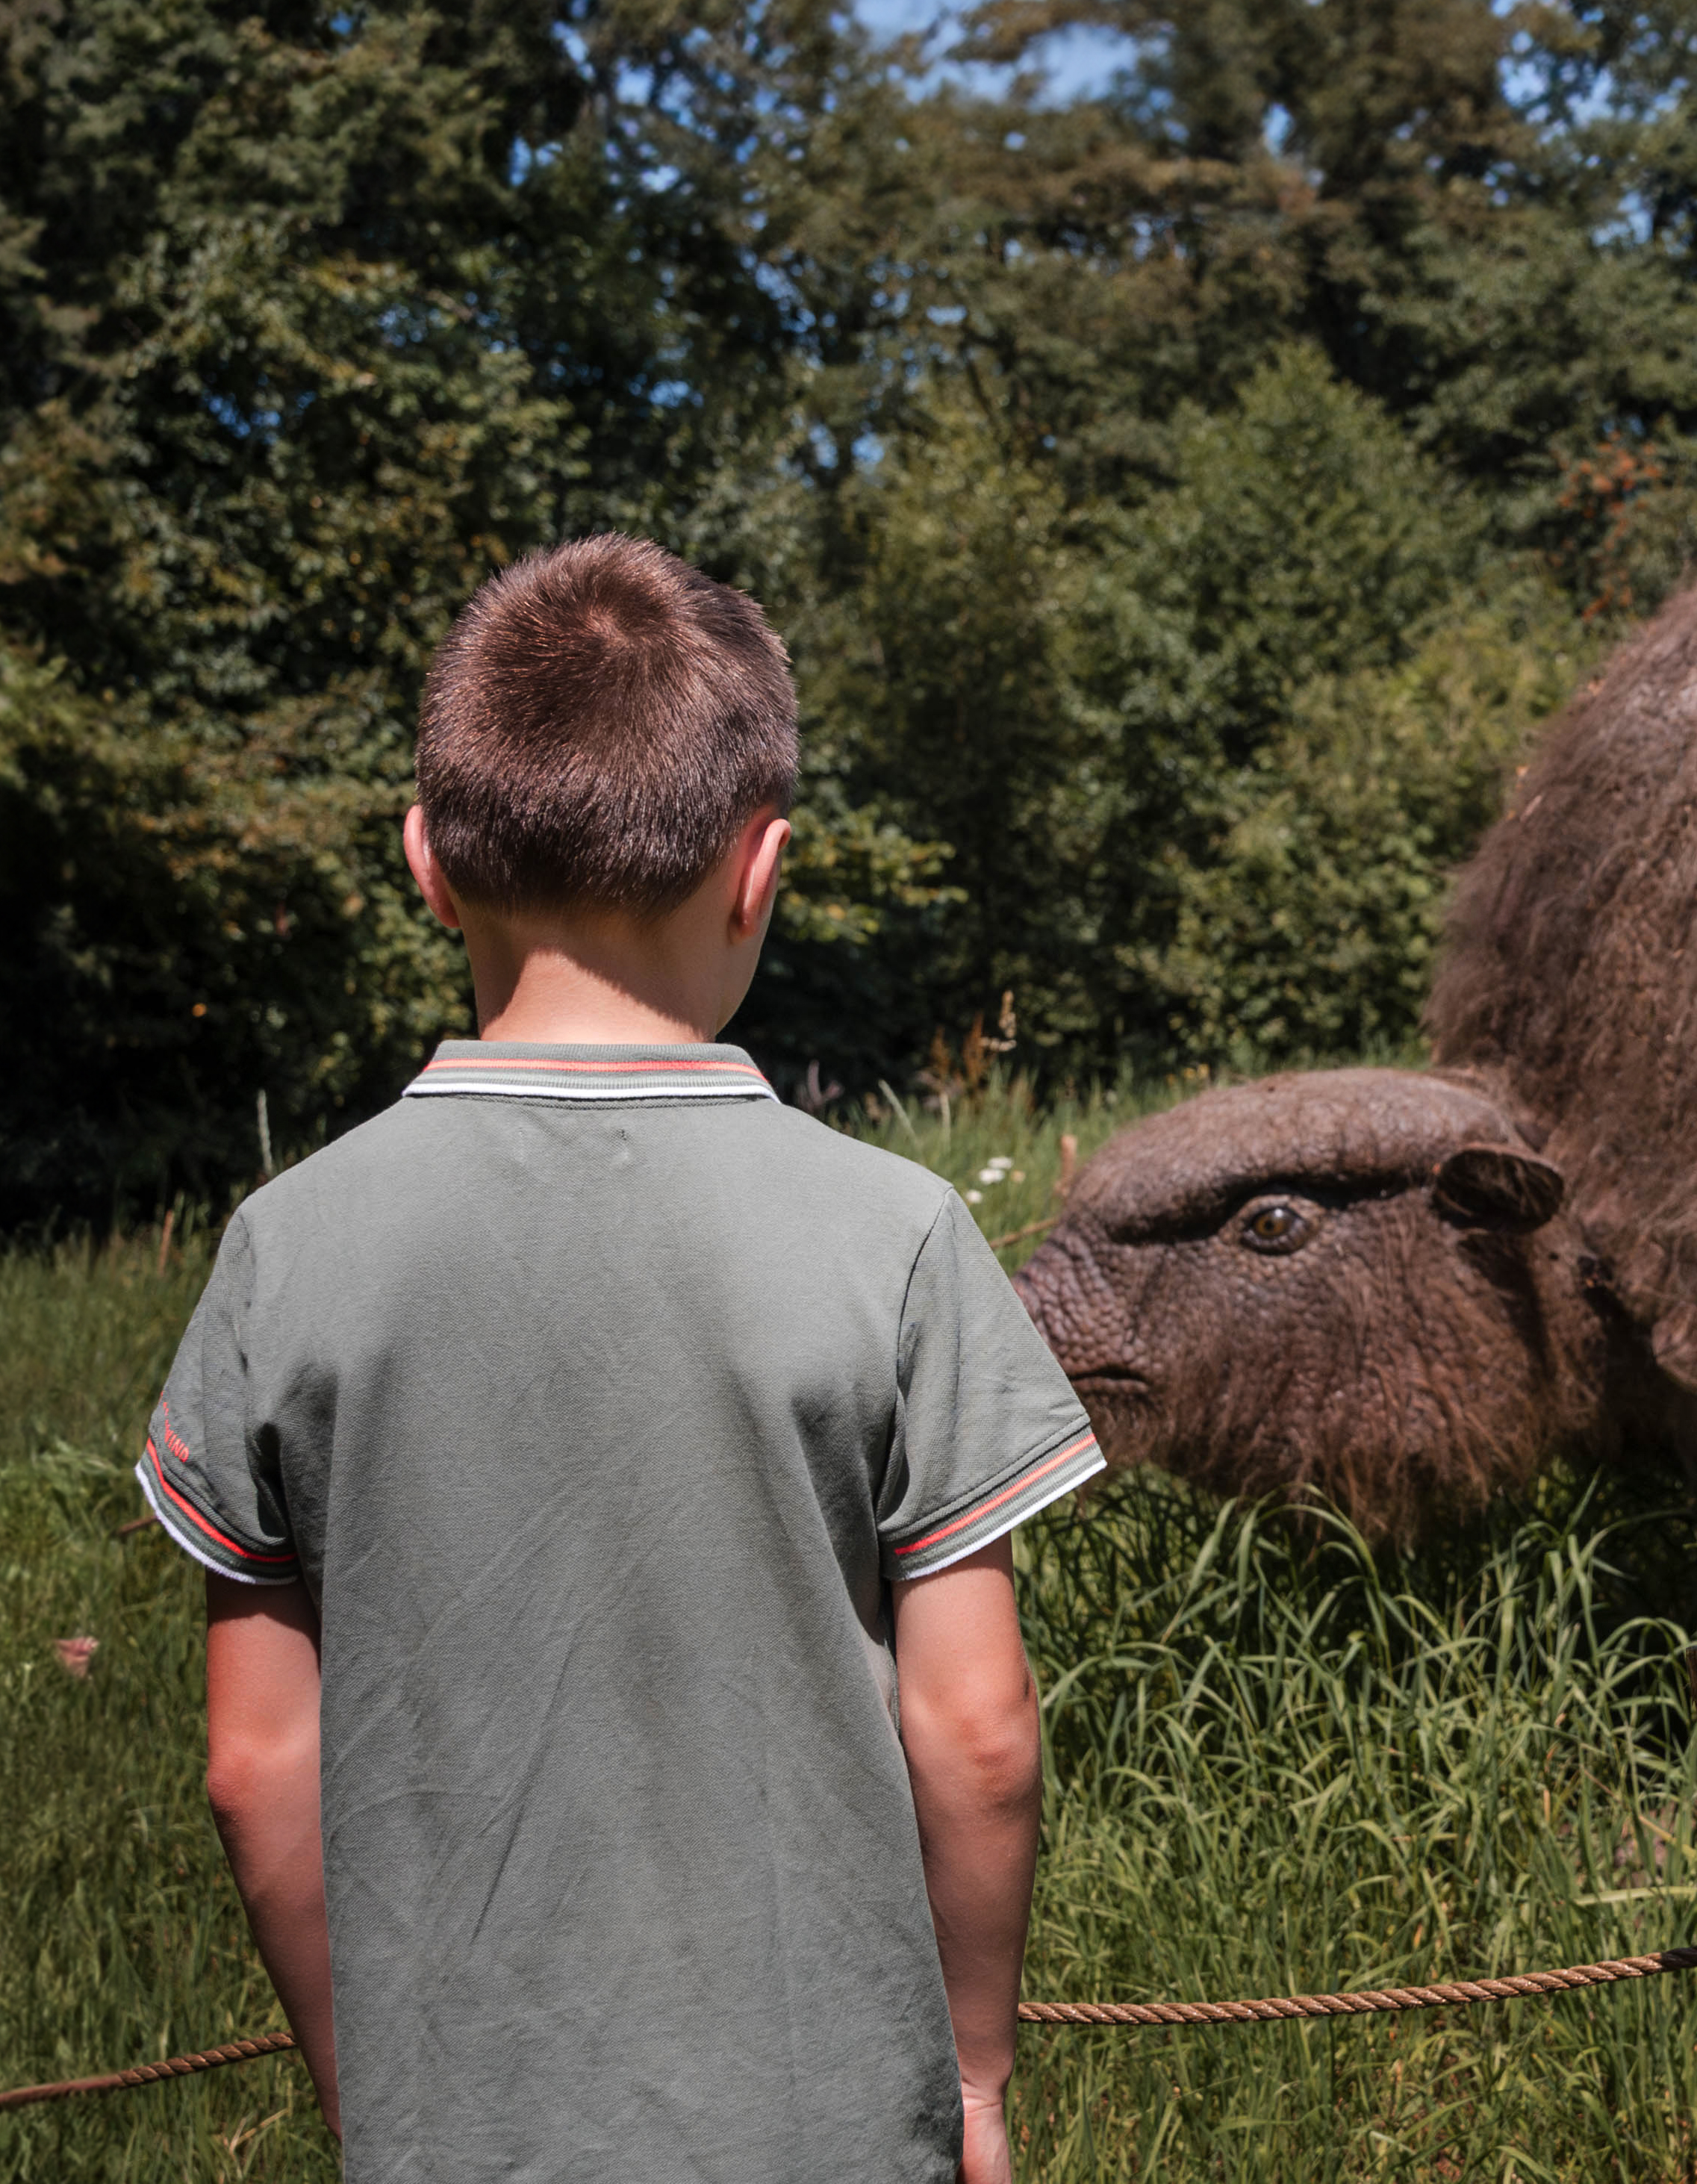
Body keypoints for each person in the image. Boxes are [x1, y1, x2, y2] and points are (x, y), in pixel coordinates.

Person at [137, 535, 1096, 2183]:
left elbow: (255, 1761)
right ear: (764, 866)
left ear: (428, 861)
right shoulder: (906, 1233)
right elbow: (981, 1728)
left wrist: (373, 2093)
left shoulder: (282, 1248)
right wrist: (978, 2076)